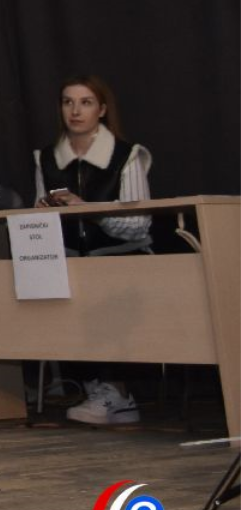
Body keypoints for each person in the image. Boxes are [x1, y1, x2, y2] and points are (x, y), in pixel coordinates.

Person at [31, 73, 153, 425]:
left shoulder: (127, 155)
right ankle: (96, 389)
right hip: (71, 260)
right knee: (55, 291)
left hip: (123, 257)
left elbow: (139, 223)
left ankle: (119, 393)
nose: (75, 111)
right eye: (68, 102)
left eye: (85, 103)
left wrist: (89, 210)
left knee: (106, 292)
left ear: (101, 109)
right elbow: (40, 218)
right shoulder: (46, 158)